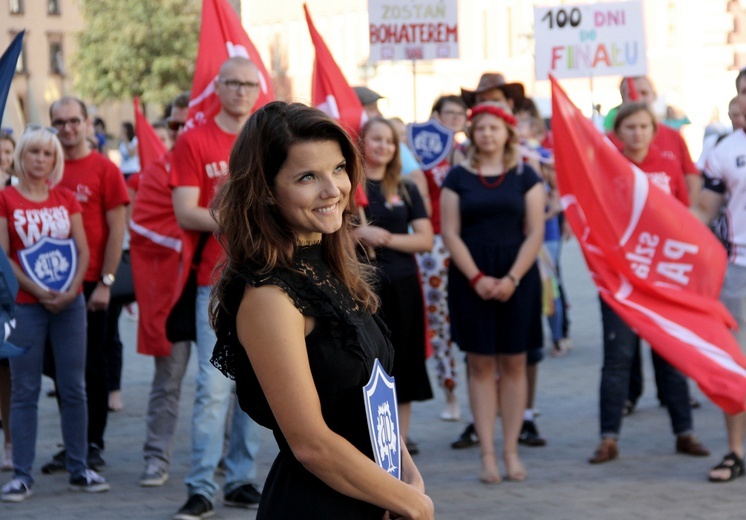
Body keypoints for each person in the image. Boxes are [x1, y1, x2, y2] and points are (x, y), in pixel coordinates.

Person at [209, 100, 434, 519]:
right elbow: (311, 443)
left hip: (377, 497)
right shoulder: (269, 297)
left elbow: (373, 396)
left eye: (338, 169)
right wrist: (412, 503)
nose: (333, 190)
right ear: (265, 189)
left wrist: (408, 478)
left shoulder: (333, 267)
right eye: (307, 176)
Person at [588, 102, 709, 464]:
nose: (637, 133)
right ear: (618, 132)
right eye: (630, 127)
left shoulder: (668, 164)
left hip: (663, 278)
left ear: (654, 131)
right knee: (618, 358)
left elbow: (684, 218)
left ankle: (684, 432)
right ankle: (608, 438)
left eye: (643, 126)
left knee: (670, 356)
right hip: (621, 278)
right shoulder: (608, 168)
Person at [171, 57, 262, 519]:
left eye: (250, 84)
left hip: (266, 281)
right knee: (214, 386)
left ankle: (241, 477)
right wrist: (246, 220)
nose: (242, 91)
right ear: (218, 87)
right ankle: (202, 485)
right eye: (234, 83)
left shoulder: (268, 139)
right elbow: (186, 211)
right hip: (215, 282)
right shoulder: (195, 138)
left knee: (255, 381)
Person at [0, 127, 109, 502]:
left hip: (69, 304)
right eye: (33, 153)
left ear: (55, 160)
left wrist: (72, 289)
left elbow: (82, 249)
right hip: (26, 308)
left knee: (74, 387)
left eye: (48, 154)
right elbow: (3, 256)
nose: (40, 160)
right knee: (24, 391)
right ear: (21, 156)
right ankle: (22, 475)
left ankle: (79, 468)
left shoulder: (66, 198)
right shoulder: (5, 199)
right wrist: (37, 290)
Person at [441, 101, 544, 483]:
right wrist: (477, 277)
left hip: (517, 277)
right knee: (480, 363)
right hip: (472, 279)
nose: (487, 134)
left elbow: (534, 232)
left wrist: (512, 278)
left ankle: (511, 451)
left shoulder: (525, 175)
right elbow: (450, 232)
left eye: (494, 128)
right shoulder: (457, 177)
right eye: (480, 128)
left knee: (515, 362)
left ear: (508, 133)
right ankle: (487, 454)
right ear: (472, 134)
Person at [40, 97, 129, 475]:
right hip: (49, 285)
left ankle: (92, 444)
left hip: (92, 284)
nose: (67, 128)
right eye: (59, 122)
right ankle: (74, 442)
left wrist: (106, 283)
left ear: (88, 122)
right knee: (58, 367)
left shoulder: (105, 169)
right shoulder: (45, 168)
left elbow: (117, 230)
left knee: (91, 367)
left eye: (74, 121)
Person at [356, 117, 434, 453]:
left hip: (403, 287)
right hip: (363, 287)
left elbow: (426, 239)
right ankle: (368, 439)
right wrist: (358, 233)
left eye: (389, 141)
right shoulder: (350, 188)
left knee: (403, 362)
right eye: (376, 139)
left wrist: (383, 238)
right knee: (369, 363)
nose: (383, 146)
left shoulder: (406, 188)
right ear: (363, 143)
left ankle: (398, 443)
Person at [130, 93, 190, 488]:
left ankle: (228, 463)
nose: (180, 131)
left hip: (218, 290)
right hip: (173, 294)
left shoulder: (224, 168)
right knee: (167, 382)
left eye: (187, 123)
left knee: (230, 386)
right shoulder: (157, 172)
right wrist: (193, 227)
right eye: (173, 125)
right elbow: (143, 228)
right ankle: (156, 458)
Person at [695, 68, 746, 483]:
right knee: (735, 363)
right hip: (737, 272)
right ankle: (735, 451)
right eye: (744, 91)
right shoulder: (723, 151)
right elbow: (702, 214)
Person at [411, 95, 467, 422]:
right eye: (450, 113)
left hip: (466, 242)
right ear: (436, 116)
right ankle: (451, 394)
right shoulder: (419, 152)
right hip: (433, 242)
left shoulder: (469, 151)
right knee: (439, 321)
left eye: (461, 113)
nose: (456, 118)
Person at [0, 131, 14, 471]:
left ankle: (11, 441)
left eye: (6, 151)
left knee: (6, 370)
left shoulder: (14, 191)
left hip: (8, 292)